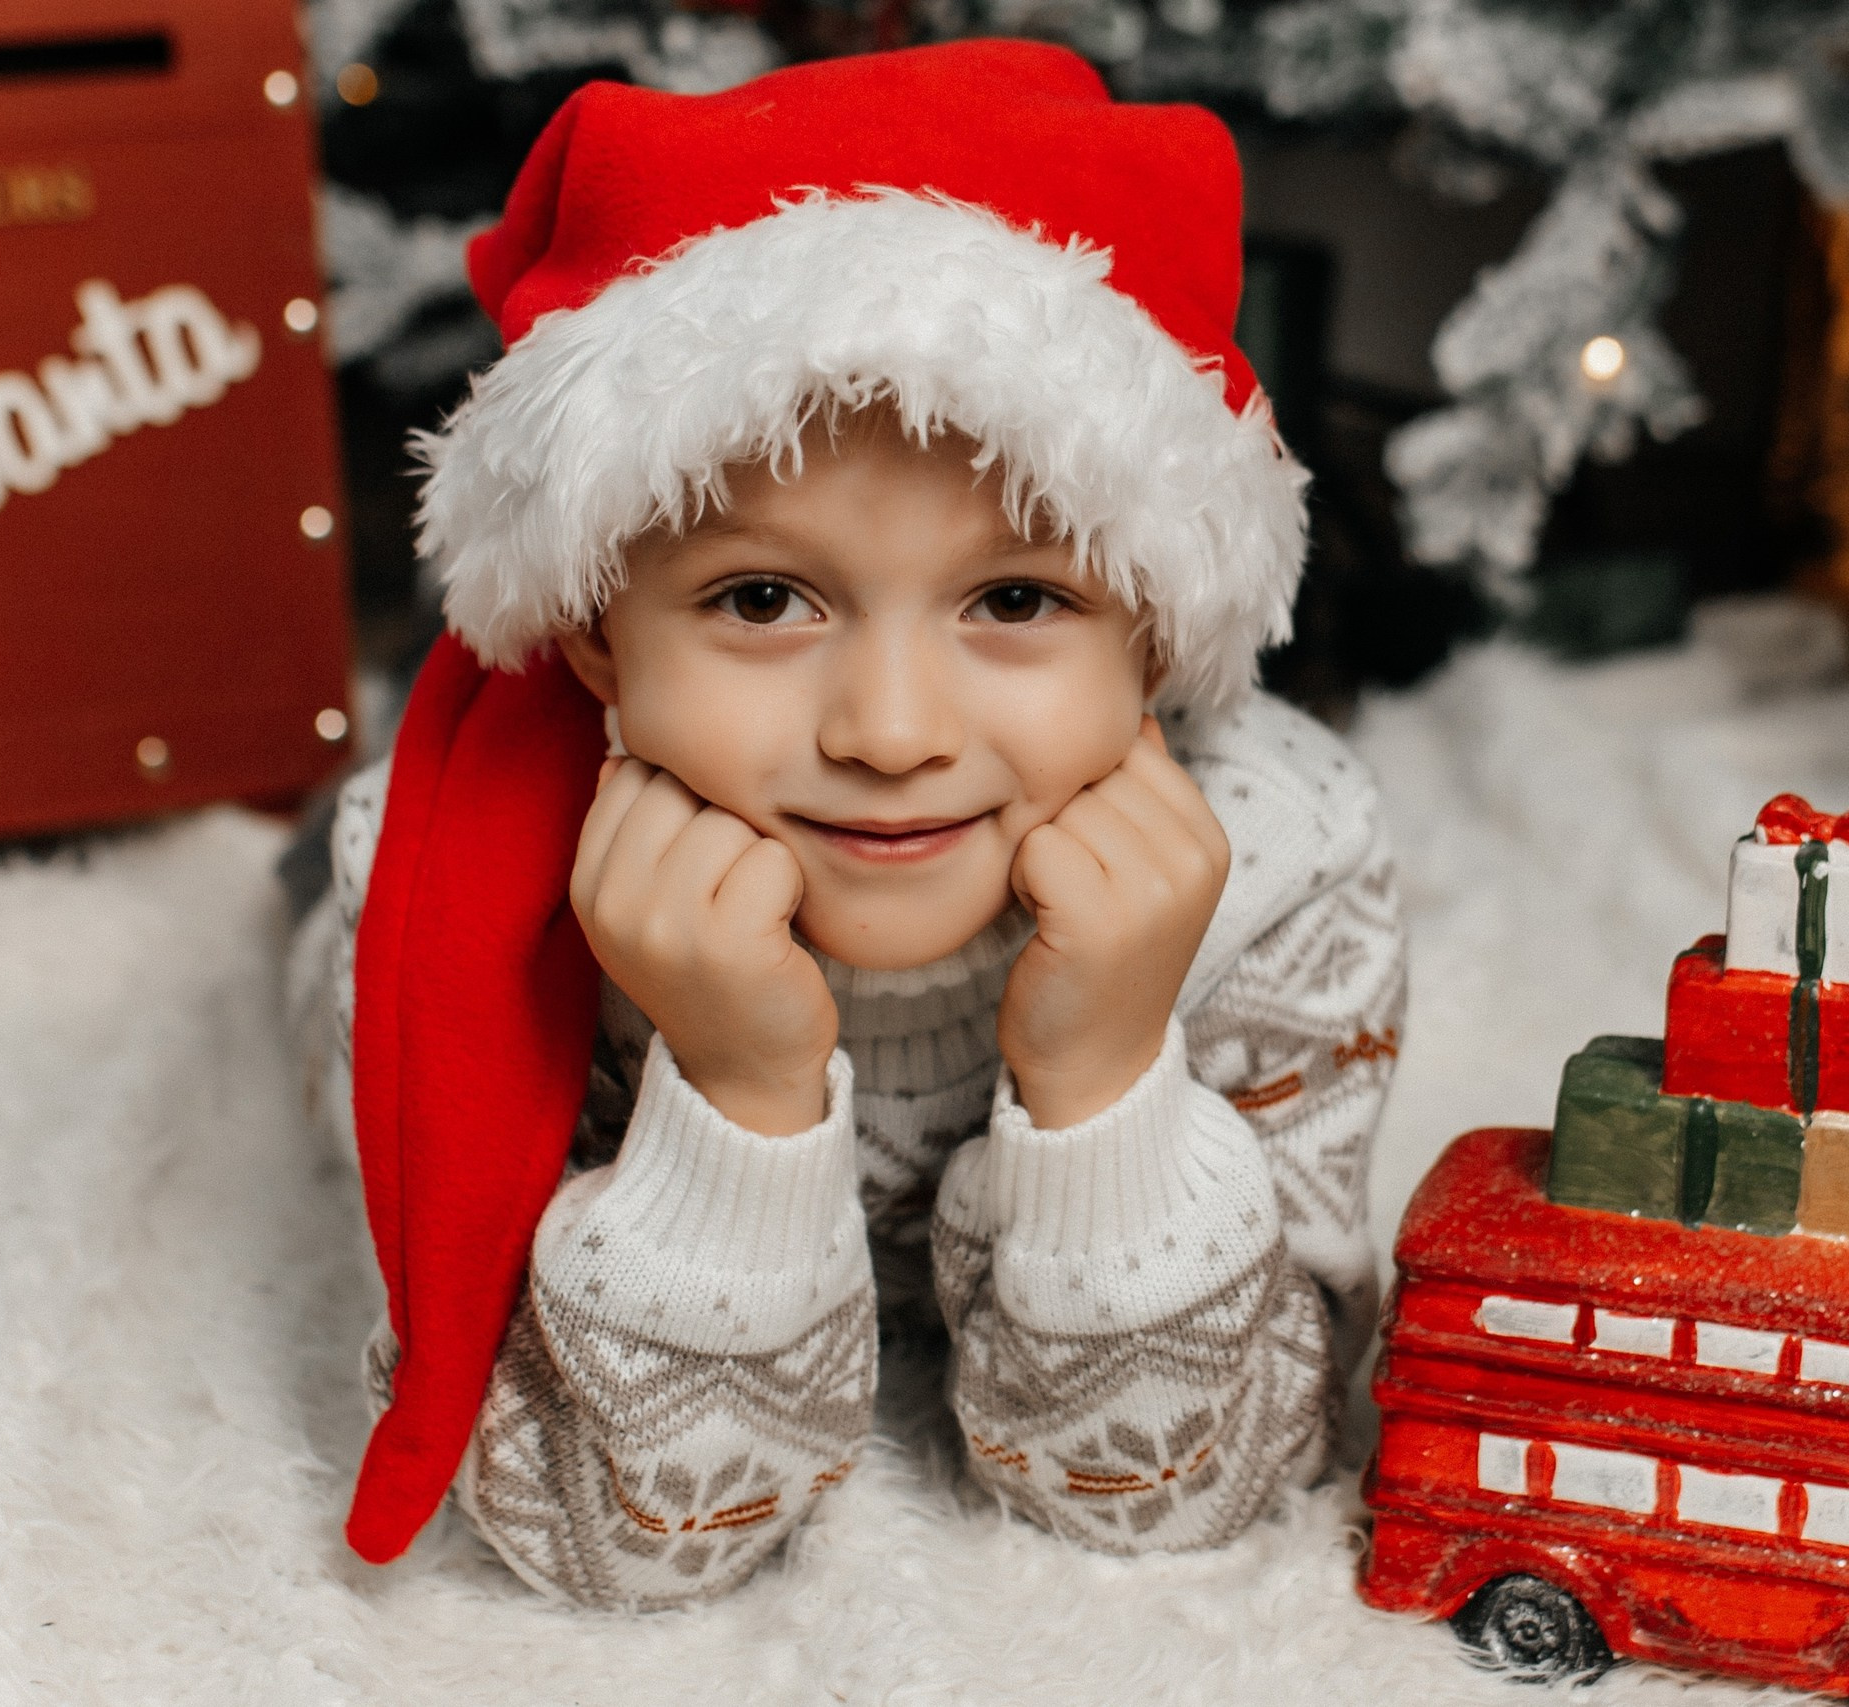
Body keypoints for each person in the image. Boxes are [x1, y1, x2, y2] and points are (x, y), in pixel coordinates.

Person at [289, 38, 1407, 1611]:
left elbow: (1195, 1494)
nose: (890, 734)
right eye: (762, 596)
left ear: (1156, 630)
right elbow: (613, 1537)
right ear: (599, 632)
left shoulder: (1280, 859)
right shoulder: (451, 906)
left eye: (1017, 597)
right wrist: (737, 1100)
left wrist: (1107, 1087)